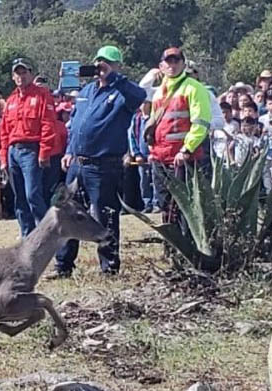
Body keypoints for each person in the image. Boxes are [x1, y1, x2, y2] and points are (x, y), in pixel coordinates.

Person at [56, 45, 146, 277]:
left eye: (106, 62)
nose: (100, 66)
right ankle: (63, 265)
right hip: (77, 163)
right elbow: (76, 124)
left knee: (105, 214)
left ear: (116, 65)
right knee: (68, 212)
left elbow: (140, 96)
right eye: (98, 62)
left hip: (104, 165)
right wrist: (69, 151)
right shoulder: (87, 90)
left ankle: (109, 268)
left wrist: (114, 78)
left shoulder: (123, 93)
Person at [148, 47, 212, 230]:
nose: (173, 65)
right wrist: (152, 151)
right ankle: (172, 250)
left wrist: (187, 149)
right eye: (168, 62)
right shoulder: (160, 92)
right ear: (161, 66)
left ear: (183, 64)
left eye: (177, 61)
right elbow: (154, 125)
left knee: (186, 208)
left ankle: (188, 250)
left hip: (184, 159)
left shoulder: (194, 88)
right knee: (165, 206)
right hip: (161, 158)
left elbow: (200, 122)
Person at [0, 57, 59, 237]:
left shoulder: (41, 94)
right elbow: (4, 131)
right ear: (13, 76)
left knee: (33, 194)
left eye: (25, 72)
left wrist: (44, 151)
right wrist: (3, 158)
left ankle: (45, 233)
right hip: (13, 151)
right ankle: (27, 235)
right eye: (18, 73)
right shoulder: (11, 100)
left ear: (31, 74)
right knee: (20, 198)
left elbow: (48, 124)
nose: (21, 76)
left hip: (31, 149)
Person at [128, 92, 157, 212]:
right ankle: (147, 203)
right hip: (141, 156)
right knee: (144, 181)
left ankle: (157, 203)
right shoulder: (136, 119)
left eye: (146, 102)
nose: (143, 105)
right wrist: (136, 154)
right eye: (142, 103)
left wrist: (154, 153)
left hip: (154, 156)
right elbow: (132, 137)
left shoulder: (154, 118)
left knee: (155, 180)